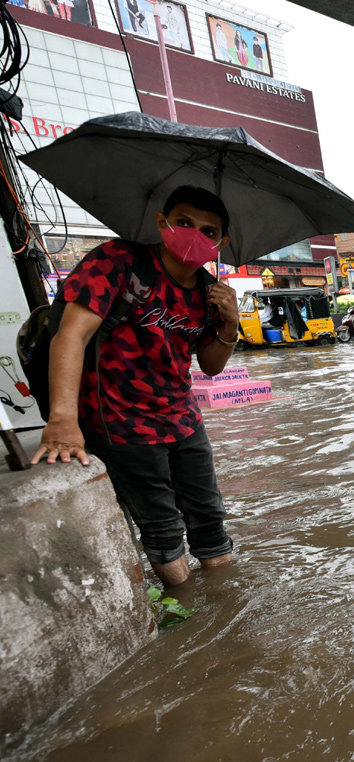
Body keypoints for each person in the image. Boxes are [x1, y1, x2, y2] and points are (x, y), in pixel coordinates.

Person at [32, 186, 238, 587]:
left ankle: (224, 604)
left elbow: (211, 366)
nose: (195, 234)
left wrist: (230, 322)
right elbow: (70, 337)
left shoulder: (208, 291)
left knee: (209, 516)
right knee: (161, 525)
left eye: (208, 231)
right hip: (119, 418)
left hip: (182, 416)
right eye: (184, 223)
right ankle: (191, 614)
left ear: (221, 242)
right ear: (162, 222)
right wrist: (62, 420)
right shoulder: (117, 262)